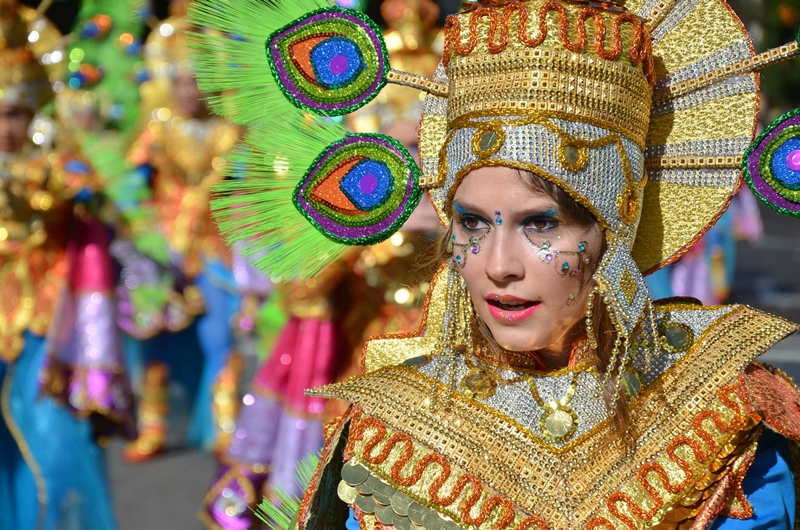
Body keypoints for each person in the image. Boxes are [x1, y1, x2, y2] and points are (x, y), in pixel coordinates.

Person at [189, 0, 800, 527]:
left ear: (613, 227)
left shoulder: (720, 413)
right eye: (471, 223)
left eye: (542, 224)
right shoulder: (392, 429)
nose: (496, 266)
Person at [0, 2, 134, 529]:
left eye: (13, 111)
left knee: (56, 448)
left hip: (48, 335)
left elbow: (97, 198)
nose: (4, 126)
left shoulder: (61, 167)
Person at [120, 0, 245, 462]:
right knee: (155, 338)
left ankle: (225, 428)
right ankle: (152, 425)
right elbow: (129, 183)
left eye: (198, 81)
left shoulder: (226, 131)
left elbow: (236, 181)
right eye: (181, 81)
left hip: (212, 247)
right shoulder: (157, 128)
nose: (189, 91)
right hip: (161, 248)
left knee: (220, 337)